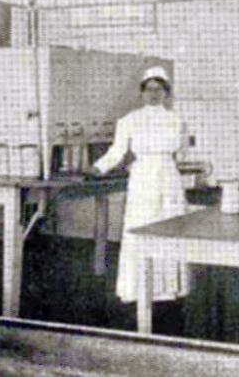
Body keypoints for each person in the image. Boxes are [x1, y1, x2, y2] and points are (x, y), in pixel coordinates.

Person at [88, 66, 190, 303]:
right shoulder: (129, 120)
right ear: (142, 92)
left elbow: (181, 154)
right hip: (143, 178)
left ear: (166, 92)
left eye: (159, 89)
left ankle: (169, 288)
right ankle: (137, 288)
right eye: (149, 89)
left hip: (169, 179)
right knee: (141, 227)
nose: (154, 94)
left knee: (170, 229)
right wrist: (98, 168)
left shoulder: (176, 120)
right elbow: (117, 152)